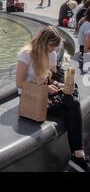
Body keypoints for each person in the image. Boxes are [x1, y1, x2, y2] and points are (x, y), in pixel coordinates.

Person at [16, 26, 90, 172]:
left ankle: (78, 155)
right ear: (42, 42)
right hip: (31, 97)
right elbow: (19, 83)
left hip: (46, 94)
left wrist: (61, 85)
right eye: (51, 46)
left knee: (72, 100)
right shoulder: (26, 54)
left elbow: (50, 78)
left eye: (55, 48)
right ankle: (78, 156)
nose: (52, 50)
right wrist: (45, 88)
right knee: (72, 107)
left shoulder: (51, 54)